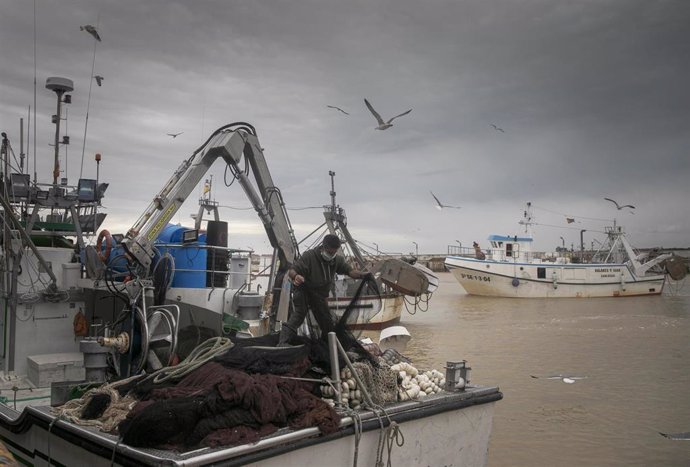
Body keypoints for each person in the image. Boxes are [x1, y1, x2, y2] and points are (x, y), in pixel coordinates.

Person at [278, 234, 369, 346]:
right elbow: (292, 270)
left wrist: (363, 275)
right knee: (299, 315)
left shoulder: (336, 260)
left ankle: (327, 345)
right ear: (323, 247)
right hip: (303, 292)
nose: (332, 255)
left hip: (319, 297)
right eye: (330, 252)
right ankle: (283, 342)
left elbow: (350, 272)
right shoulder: (309, 256)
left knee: (327, 322)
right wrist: (296, 276)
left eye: (334, 253)